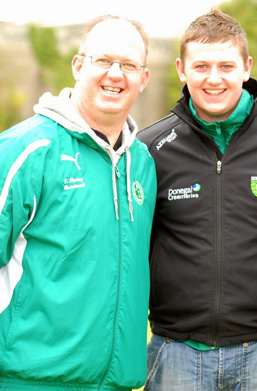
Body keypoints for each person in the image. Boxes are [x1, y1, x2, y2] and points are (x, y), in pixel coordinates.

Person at [137, 8, 257, 391]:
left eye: (226, 65)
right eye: (201, 66)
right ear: (182, 70)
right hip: (176, 350)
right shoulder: (150, 150)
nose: (214, 78)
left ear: (247, 67)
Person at [0, 15, 157, 391]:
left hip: (117, 383)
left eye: (129, 65)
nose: (115, 74)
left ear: (144, 78)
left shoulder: (144, 165)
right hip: (30, 380)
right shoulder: (27, 150)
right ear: (78, 65)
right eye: (103, 60)